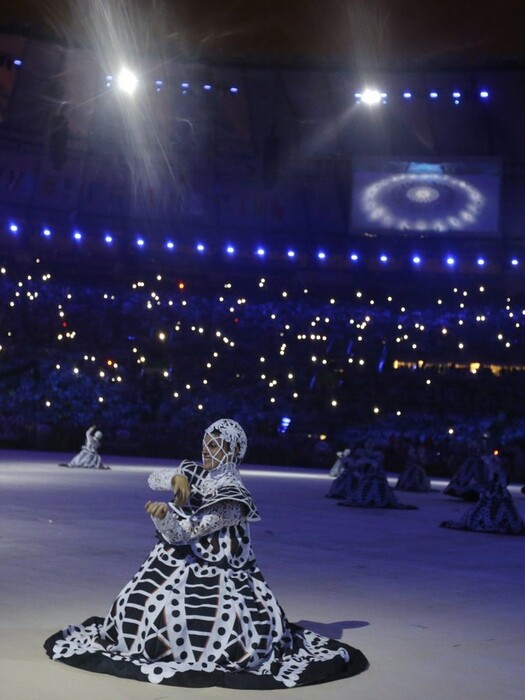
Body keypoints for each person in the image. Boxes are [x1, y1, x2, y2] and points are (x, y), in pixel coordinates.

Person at [44, 418, 368, 688]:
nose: (206, 449)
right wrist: (175, 477)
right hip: (175, 562)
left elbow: (188, 533)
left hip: (222, 573)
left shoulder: (232, 498)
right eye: (205, 442)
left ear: (232, 451)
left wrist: (165, 516)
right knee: (133, 605)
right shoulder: (196, 472)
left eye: (214, 445)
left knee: (197, 622)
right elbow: (152, 478)